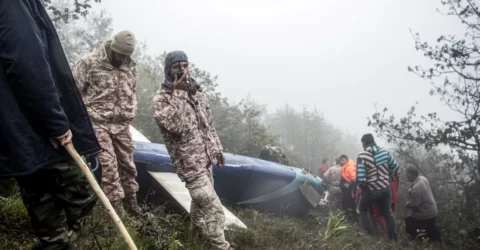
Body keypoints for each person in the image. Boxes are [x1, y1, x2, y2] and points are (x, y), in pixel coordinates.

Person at [0, 1, 102, 249]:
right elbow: (26, 61)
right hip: (32, 123)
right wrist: (54, 122)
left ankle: (57, 242)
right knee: (80, 191)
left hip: (17, 128)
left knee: (39, 190)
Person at [153, 51, 231, 250]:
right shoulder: (162, 99)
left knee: (200, 206)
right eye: (176, 66)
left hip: (205, 161)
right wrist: (178, 93)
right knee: (213, 209)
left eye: (185, 65)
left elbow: (208, 125)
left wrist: (217, 150)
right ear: (168, 70)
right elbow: (175, 126)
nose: (181, 69)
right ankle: (221, 246)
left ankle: (193, 240)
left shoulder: (197, 93)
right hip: (189, 165)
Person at [73, 31, 143, 217]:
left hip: (121, 126)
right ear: (112, 48)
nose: (122, 58)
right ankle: (117, 212)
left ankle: (132, 207)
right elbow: (73, 93)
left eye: (126, 55)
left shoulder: (130, 66)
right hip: (97, 122)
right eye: (119, 54)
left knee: (128, 166)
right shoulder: (89, 62)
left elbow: (132, 91)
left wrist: (131, 110)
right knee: (108, 166)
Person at [356, 133, 399, 241]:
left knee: (363, 209)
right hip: (385, 188)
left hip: (371, 189)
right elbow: (396, 167)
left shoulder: (362, 156)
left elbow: (361, 177)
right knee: (387, 212)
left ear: (364, 143)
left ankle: (371, 236)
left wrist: (364, 187)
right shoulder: (385, 153)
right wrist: (388, 177)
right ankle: (393, 237)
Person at [405, 167, 441, 242]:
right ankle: (431, 238)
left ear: (412, 175)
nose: (406, 176)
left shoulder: (415, 189)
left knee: (409, 222)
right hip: (433, 210)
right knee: (432, 229)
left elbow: (415, 205)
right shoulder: (423, 179)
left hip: (425, 214)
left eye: (408, 175)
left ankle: (415, 240)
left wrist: (407, 204)